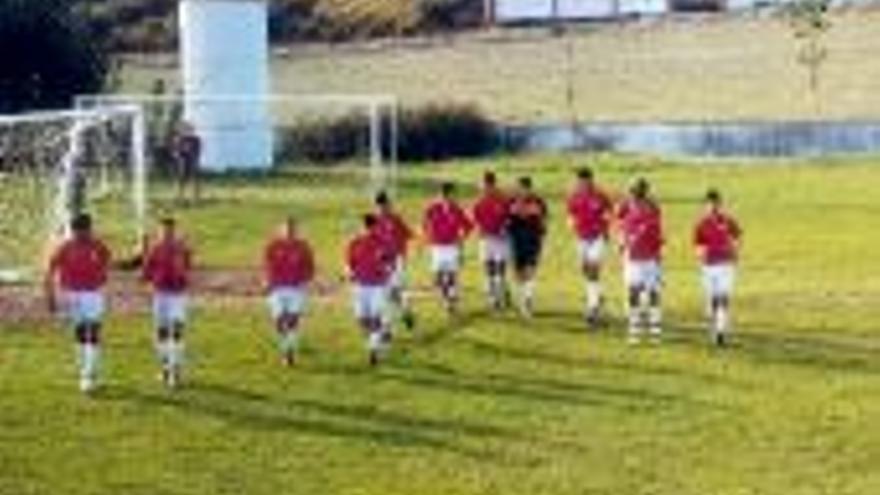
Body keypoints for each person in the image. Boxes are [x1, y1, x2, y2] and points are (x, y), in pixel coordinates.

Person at [44, 213, 112, 393]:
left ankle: (88, 375)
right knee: (81, 333)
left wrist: (102, 276)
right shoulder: (64, 247)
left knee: (93, 331)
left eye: (87, 230)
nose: (84, 234)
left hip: (92, 294)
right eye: (80, 231)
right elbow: (49, 271)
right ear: (75, 230)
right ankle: (85, 372)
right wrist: (50, 296)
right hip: (72, 295)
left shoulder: (97, 245)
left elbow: (108, 261)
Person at [142, 217, 193, 387]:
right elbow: (146, 274)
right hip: (161, 295)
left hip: (176, 295)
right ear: (160, 232)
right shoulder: (156, 249)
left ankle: (174, 370)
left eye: (169, 232)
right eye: (164, 232)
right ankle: (167, 369)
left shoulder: (179, 249)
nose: (166, 235)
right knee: (163, 332)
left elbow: (186, 269)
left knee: (175, 331)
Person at [263, 217, 316, 366]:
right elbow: (268, 267)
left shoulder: (303, 247)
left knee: (292, 321)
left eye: (292, 229)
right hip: (277, 288)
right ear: (281, 230)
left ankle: (289, 352)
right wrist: (267, 282)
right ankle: (285, 347)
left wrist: (305, 280)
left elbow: (310, 267)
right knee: (279, 320)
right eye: (287, 229)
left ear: (296, 231)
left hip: (296, 289)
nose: (290, 232)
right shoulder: (272, 246)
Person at [618, 178, 664, 344]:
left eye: (636, 192)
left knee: (651, 292)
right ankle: (636, 329)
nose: (634, 196)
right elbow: (623, 232)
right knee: (634, 291)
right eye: (634, 192)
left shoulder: (652, 213)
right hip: (634, 258)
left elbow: (658, 239)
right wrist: (623, 245)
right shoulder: (630, 213)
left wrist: (658, 259)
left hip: (648, 259)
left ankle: (653, 329)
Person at [694, 189, 742, 347]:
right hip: (708, 267)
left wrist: (735, 252)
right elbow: (698, 244)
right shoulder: (701, 223)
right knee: (713, 300)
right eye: (709, 203)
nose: (713, 206)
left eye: (715, 203)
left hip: (725, 265)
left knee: (723, 298)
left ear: (719, 204)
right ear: (705, 205)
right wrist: (700, 254)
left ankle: (720, 332)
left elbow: (737, 236)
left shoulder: (728, 221)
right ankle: (716, 326)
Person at [566, 167, 614, 328]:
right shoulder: (574, 196)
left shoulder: (600, 195)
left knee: (593, 269)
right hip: (581, 238)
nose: (582, 184)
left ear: (591, 180)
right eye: (580, 181)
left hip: (598, 238)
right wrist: (571, 223)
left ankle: (592, 309)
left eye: (585, 181)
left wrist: (604, 223)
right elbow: (571, 213)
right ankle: (598, 298)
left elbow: (609, 213)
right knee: (586, 271)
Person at [347, 214, 395, 366]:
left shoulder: (383, 243)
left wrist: (386, 269)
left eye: (370, 227)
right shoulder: (354, 243)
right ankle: (383, 332)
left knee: (375, 318)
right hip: (359, 287)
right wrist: (349, 272)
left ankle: (373, 351)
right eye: (365, 227)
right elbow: (349, 263)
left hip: (377, 286)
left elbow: (391, 263)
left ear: (375, 227)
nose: (368, 230)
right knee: (362, 320)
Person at [422, 181, 473, 315]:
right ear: (444, 194)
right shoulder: (432, 208)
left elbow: (468, 225)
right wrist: (428, 236)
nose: (452, 196)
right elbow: (424, 223)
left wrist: (461, 238)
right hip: (437, 247)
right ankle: (448, 297)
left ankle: (449, 302)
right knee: (438, 279)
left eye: (452, 194)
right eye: (450, 194)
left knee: (451, 275)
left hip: (451, 247)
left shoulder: (456, 209)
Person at [373, 191, 416, 331]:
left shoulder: (396, 219)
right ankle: (405, 312)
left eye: (384, 205)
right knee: (391, 293)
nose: (382, 208)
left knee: (394, 291)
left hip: (397, 260)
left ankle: (388, 327)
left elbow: (409, 234)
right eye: (379, 206)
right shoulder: (375, 222)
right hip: (383, 262)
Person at [507, 176, 549, 318]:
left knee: (530, 270)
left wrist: (542, 233)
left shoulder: (538, 202)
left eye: (525, 188)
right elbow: (507, 221)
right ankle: (522, 299)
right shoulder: (511, 202)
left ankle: (528, 301)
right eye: (519, 188)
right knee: (519, 273)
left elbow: (544, 221)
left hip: (533, 241)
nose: (522, 191)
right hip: (516, 241)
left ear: (529, 188)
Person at [472, 171, 512, 310]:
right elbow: (475, 219)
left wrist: (504, 227)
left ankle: (502, 294)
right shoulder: (478, 202)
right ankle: (493, 298)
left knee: (500, 269)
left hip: (501, 239)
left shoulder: (503, 200)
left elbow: (510, 218)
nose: (485, 188)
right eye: (483, 185)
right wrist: (478, 228)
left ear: (493, 184)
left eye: (488, 185)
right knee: (489, 269)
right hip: (486, 239)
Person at [172, 121, 201, 204]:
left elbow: (195, 152)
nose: (188, 131)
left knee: (193, 181)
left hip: (192, 162)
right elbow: (175, 153)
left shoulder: (196, 140)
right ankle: (179, 198)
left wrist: (184, 150)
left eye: (190, 129)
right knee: (180, 181)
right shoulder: (178, 139)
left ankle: (194, 199)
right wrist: (177, 148)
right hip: (182, 163)